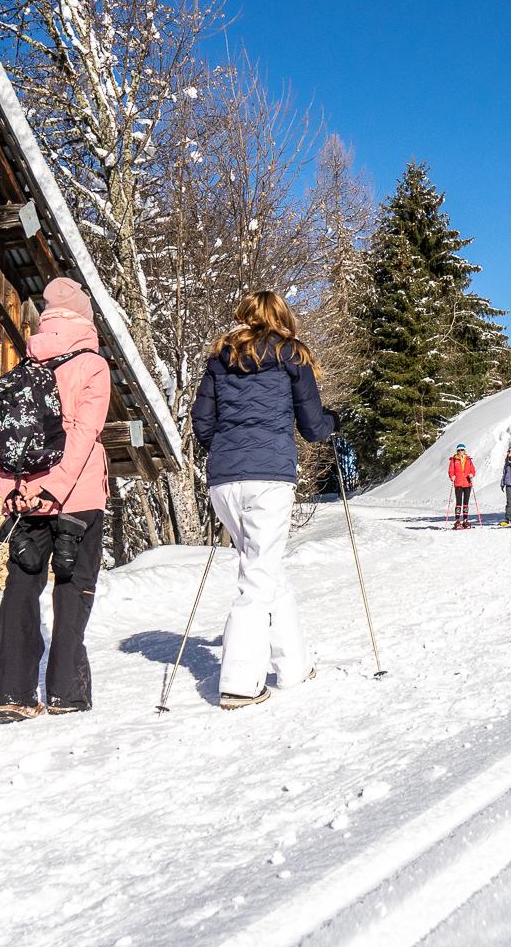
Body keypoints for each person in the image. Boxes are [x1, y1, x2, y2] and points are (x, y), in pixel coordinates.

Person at [191, 290, 339, 710]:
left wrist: (223, 448)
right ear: (282, 316)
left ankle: (293, 665)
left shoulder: (220, 358)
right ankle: (240, 681)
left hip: (224, 477)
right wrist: (333, 423)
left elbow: (202, 421)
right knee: (257, 576)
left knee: (265, 567)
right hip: (269, 476)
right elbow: (312, 427)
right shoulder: (292, 355)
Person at [0, 276, 113, 723]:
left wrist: (14, 494)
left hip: (25, 499)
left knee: (21, 588)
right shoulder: (92, 365)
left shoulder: (22, 369)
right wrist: (57, 489)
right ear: (85, 318)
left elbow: (0, 438)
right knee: (72, 587)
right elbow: (84, 433)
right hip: (76, 496)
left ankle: (13, 694)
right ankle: (66, 691)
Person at [448, 443, 477, 528]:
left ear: (464, 451)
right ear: (457, 451)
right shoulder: (454, 460)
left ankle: (465, 520)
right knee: (458, 502)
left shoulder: (468, 460)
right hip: (458, 483)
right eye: (459, 450)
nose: (460, 451)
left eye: (462, 450)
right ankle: (457, 520)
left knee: (466, 503)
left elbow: (473, 470)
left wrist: (472, 474)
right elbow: (451, 470)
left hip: (467, 483)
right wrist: (451, 476)